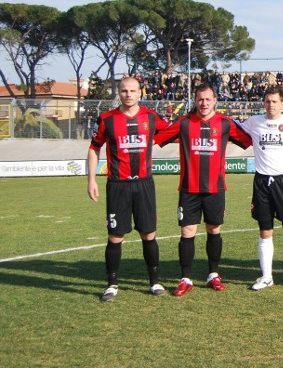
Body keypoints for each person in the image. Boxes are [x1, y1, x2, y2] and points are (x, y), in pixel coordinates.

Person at [155, 83, 252, 296]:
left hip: (215, 188)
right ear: (195, 100)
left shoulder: (226, 124)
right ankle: (186, 278)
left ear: (215, 100)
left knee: (214, 230)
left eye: (208, 99)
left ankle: (213, 275)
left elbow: (250, 140)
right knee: (187, 232)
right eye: (200, 99)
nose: (204, 103)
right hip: (189, 188)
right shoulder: (184, 123)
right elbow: (158, 136)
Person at [87, 76, 169, 301]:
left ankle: (155, 282)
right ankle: (112, 285)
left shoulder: (151, 117)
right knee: (115, 236)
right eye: (124, 91)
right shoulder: (107, 119)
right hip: (117, 185)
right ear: (119, 93)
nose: (128, 95)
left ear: (140, 93)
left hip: (144, 183)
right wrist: (91, 179)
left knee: (149, 233)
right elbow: (94, 148)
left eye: (133, 91)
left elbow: (171, 133)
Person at [239, 85, 283, 290]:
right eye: (268, 101)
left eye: (275, 101)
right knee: (265, 230)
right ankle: (267, 276)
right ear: (264, 103)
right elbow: (234, 128)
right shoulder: (254, 122)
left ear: (282, 104)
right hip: (262, 182)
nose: (271, 105)